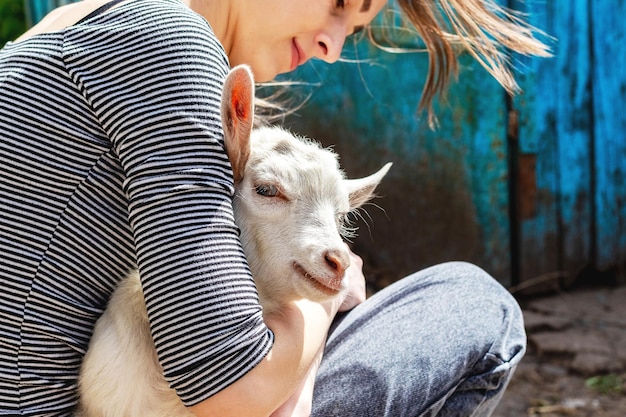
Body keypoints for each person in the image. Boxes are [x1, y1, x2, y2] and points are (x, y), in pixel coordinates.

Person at [0, 0, 549, 416]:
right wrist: (328, 295)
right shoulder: (167, 42)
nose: (333, 46)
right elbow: (231, 388)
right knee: (473, 303)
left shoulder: (68, 24)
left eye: (351, 31)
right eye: (338, 4)